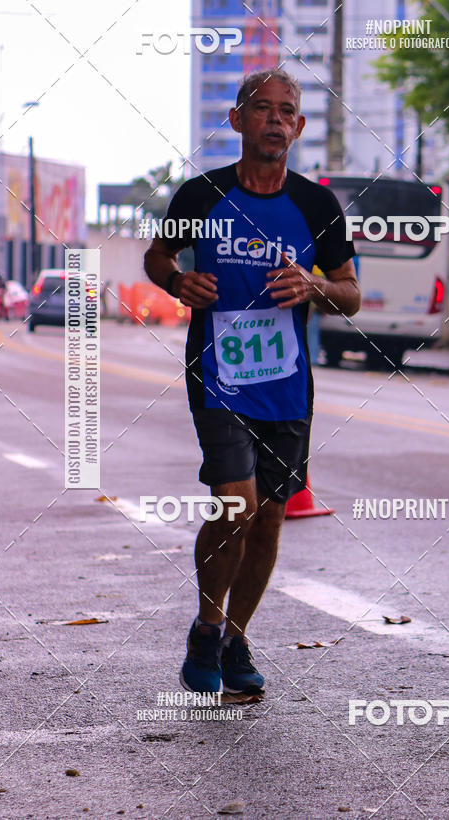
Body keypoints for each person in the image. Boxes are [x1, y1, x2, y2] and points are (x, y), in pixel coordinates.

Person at [144, 69, 360, 695]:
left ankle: (235, 639)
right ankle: (207, 628)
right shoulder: (201, 196)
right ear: (237, 120)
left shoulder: (317, 206)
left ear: (299, 126)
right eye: (262, 108)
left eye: (286, 111)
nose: (274, 119)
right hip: (219, 376)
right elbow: (158, 256)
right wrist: (176, 281)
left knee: (268, 520)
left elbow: (351, 293)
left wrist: (314, 284)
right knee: (235, 505)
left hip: (287, 385)